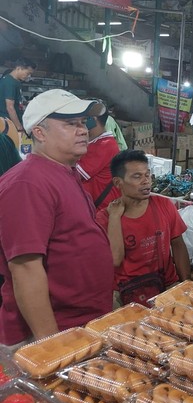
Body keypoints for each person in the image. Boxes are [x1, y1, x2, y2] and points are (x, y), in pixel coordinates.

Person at [0, 89, 112, 345]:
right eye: (70, 124)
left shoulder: (63, 172)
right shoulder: (27, 183)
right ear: (39, 133)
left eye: (83, 123)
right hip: (51, 333)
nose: (83, 130)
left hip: (79, 325)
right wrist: (50, 346)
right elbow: (26, 268)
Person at [97, 150, 190, 306]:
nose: (146, 181)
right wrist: (114, 218)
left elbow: (178, 245)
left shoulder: (164, 205)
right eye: (137, 176)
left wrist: (186, 285)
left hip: (166, 287)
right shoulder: (104, 218)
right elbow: (115, 259)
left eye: (147, 175)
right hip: (126, 295)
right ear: (118, 183)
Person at [76, 112, 121, 210]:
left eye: (83, 120)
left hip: (100, 210)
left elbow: (76, 174)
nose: (78, 123)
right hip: (93, 206)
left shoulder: (105, 144)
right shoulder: (95, 142)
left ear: (93, 119)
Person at [0, 57, 35, 137]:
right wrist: (19, 127)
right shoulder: (9, 82)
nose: (28, 76)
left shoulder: (16, 82)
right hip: (7, 124)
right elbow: (10, 107)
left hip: (12, 123)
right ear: (19, 68)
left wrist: (27, 102)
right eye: (27, 73)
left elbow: (16, 101)